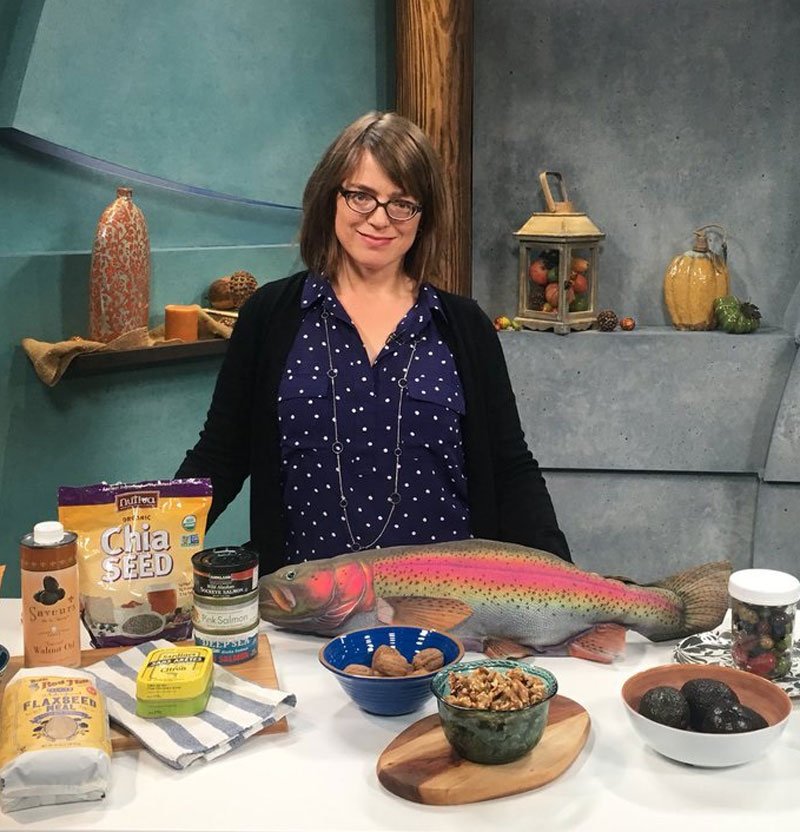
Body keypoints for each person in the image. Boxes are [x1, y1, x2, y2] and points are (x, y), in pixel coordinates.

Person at [176, 111, 570, 576]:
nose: (379, 219)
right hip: (307, 605)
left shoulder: (464, 327)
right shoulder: (269, 316)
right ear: (330, 196)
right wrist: (153, 547)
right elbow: (219, 457)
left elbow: (510, 469)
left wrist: (566, 580)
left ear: (424, 216)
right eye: (361, 196)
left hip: (449, 604)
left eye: (401, 203)